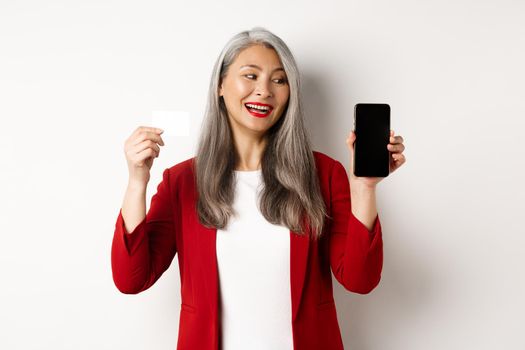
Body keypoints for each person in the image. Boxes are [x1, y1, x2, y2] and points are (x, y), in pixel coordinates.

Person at [111, 27, 406, 350]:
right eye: (250, 76)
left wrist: (364, 187)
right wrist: (137, 180)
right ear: (220, 86)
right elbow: (132, 279)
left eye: (279, 80)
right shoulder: (182, 181)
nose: (264, 90)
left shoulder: (323, 174)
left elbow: (360, 280)